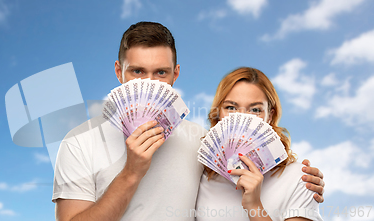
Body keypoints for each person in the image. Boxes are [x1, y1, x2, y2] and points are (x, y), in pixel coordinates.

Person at [53, 22, 325, 221]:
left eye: (161, 72)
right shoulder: (79, 142)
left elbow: (246, 164)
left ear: (176, 74)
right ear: (118, 72)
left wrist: (302, 180)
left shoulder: (200, 142)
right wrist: (131, 173)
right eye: (137, 71)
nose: (149, 83)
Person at [195, 67, 323, 221]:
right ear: (218, 113)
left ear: (270, 116)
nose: (241, 120)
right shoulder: (199, 175)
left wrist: (255, 207)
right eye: (231, 108)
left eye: (255, 110)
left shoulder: (300, 179)